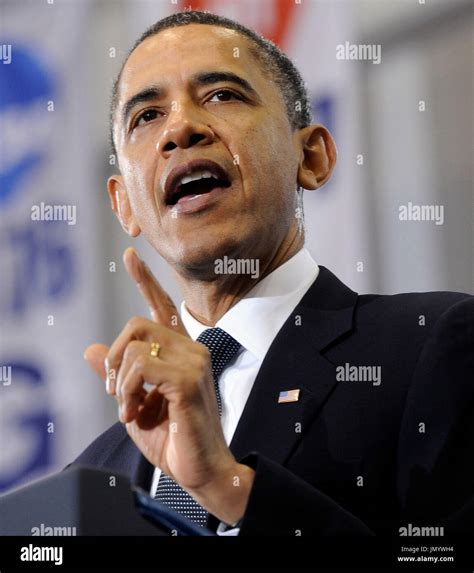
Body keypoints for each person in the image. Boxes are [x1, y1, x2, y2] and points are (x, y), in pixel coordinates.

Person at [71, 11, 473, 536]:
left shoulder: (434, 345)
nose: (179, 128)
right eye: (146, 115)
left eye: (221, 95)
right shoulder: (90, 478)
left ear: (311, 157)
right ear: (123, 205)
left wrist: (226, 486)